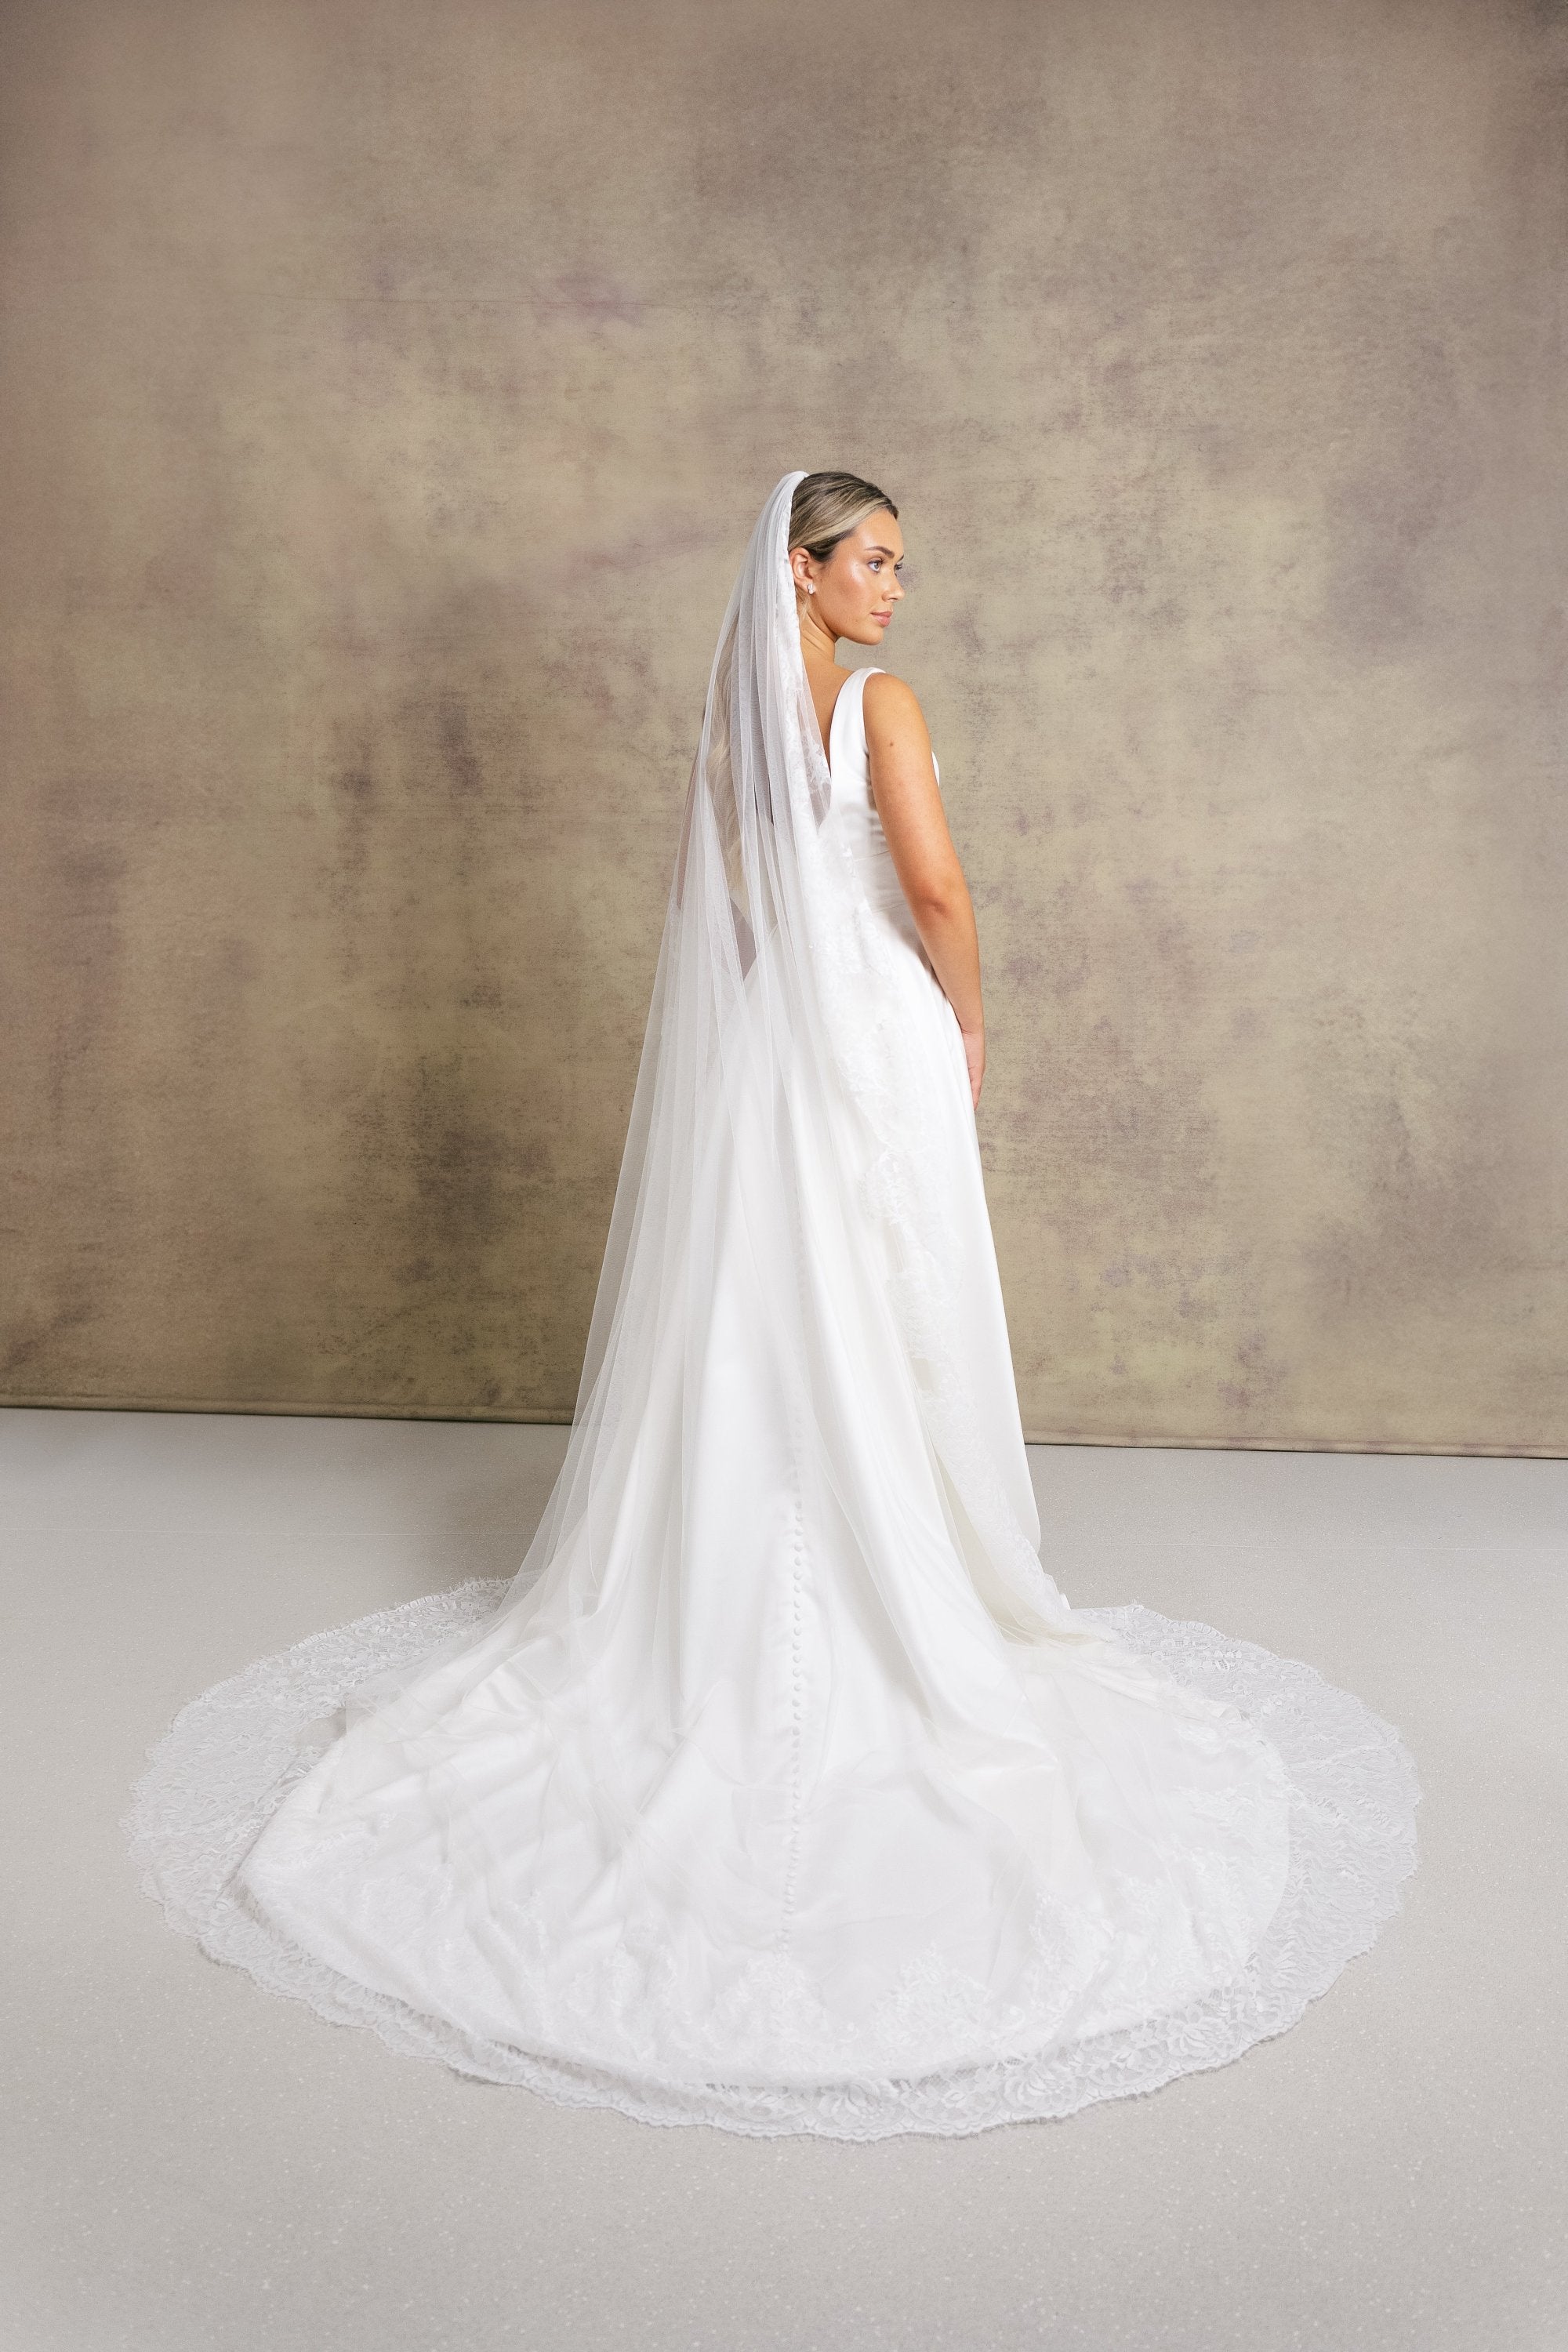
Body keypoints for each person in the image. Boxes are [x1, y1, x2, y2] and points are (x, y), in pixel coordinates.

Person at [128, 471, 1419, 2140]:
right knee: (884, 1305)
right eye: (868, 561)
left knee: (757, 1318)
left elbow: (736, 902)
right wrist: (964, 1024)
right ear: (798, 574)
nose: (892, 588)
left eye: (896, 566)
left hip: (772, 1051)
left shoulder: (743, 711)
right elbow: (937, 890)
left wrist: (778, 1021)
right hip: (873, 1032)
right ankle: (904, 1574)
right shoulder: (880, 702)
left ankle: (738, 1572)